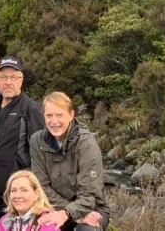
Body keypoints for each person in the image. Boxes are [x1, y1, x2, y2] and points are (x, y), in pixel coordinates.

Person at [0, 56, 44, 221]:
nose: (8, 82)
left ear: (21, 80)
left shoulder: (30, 109)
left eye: (13, 77)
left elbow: (40, 156)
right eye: (3, 77)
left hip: (20, 198)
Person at [31, 92, 109, 231]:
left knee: (86, 229)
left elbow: (90, 194)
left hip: (89, 208)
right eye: (49, 115)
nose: (54, 121)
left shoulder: (86, 143)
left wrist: (69, 213)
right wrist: (67, 213)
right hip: (52, 206)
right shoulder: (37, 141)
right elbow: (40, 186)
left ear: (71, 114)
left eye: (59, 115)